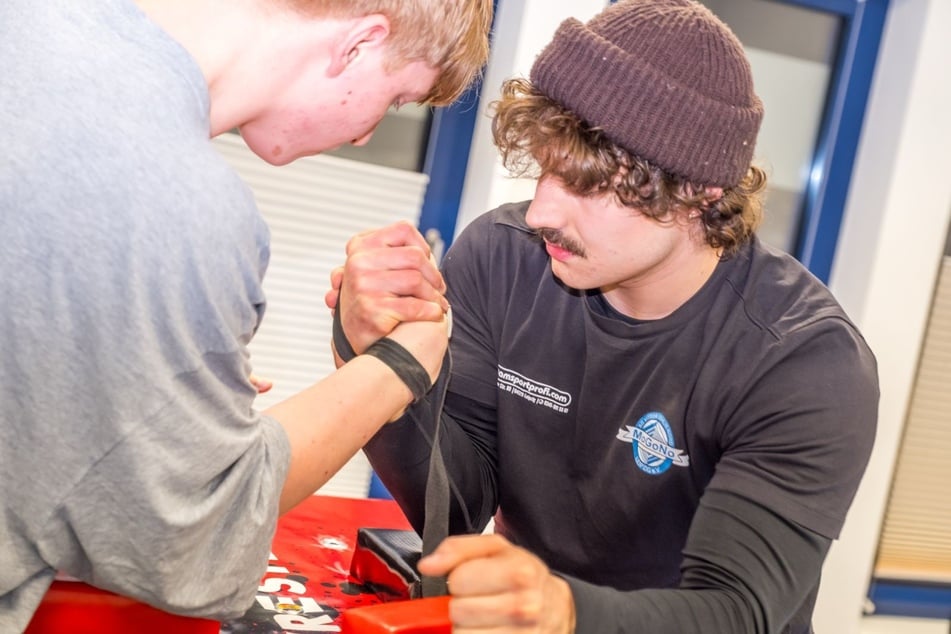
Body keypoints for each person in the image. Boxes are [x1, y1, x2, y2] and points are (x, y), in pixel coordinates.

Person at [327, 1, 880, 632]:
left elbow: (735, 610)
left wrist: (565, 609)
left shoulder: (803, 361)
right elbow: (455, 506)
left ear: (701, 190)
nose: (540, 213)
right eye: (544, 168)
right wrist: (374, 360)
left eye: (587, 183)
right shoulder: (504, 259)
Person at [0, 0, 491, 631]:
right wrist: (398, 368)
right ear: (360, 44)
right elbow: (183, 542)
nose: (367, 134)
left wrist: (170, 406)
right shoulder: (180, 200)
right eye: (396, 99)